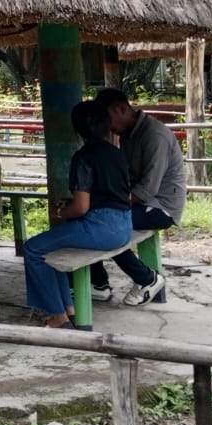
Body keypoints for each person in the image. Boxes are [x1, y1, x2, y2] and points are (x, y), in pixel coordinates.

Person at [22, 101, 132, 328]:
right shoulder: (117, 154)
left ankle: (57, 316)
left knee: (33, 249)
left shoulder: (83, 157)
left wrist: (63, 211)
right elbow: (110, 194)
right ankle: (68, 310)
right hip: (124, 226)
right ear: (106, 126)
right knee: (53, 248)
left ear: (77, 129)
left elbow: (81, 208)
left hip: (101, 228)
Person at [87, 86, 186, 306]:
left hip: (160, 207)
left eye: (107, 119)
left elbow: (147, 190)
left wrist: (105, 202)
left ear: (121, 109)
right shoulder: (128, 134)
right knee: (91, 217)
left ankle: (146, 279)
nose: (107, 127)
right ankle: (99, 283)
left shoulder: (154, 136)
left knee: (104, 223)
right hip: (141, 203)